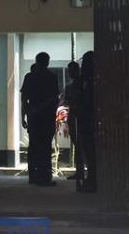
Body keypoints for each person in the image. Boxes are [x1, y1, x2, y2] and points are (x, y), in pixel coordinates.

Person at [20, 52, 60, 186]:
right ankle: (44, 176)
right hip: (47, 116)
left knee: (34, 146)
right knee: (45, 147)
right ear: (47, 62)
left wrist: (24, 115)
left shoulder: (30, 77)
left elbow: (24, 99)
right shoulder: (52, 77)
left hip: (34, 116)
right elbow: (55, 98)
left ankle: (33, 175)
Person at [76, 51, 97, 193]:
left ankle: (92, 180)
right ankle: (91, 179)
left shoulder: (86, 82)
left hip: (87, 120)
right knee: (89, 152)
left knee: (89, 152)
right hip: (87, 120)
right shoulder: (86, 82)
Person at [62, 61, 84, 184]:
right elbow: (67, 101)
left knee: (82, 145)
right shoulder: (69, 87)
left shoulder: (83, 84)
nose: (70, 73)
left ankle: (83, 171)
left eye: (72, 71)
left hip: (81, 117)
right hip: (73, 116)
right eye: (69, 71)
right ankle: (80, 171)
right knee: (77, 145)